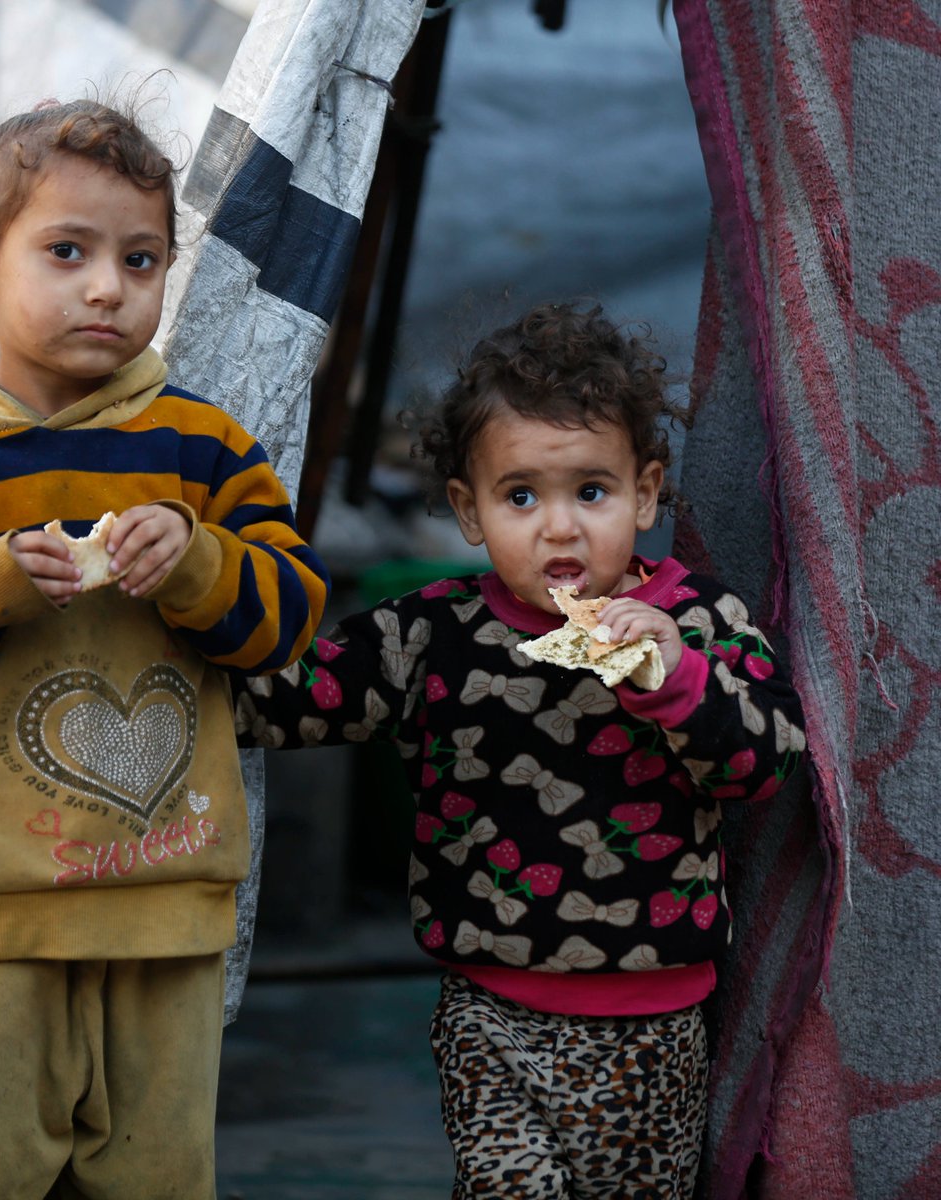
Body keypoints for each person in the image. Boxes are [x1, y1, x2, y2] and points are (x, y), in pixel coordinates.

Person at [0, 97, 329, 1200]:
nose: (105, 287)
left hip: (161, 912)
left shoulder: (196, 448)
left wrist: (198, 563)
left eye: (141, 259)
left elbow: (290, 615)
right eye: (67, 251)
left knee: (156, 1181)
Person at [234, 302, 805, 1199]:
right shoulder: (433, 633)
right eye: (520, 496)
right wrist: (182, 616)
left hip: (658, 1023)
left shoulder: (696, 623)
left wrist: (672, 674)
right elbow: (288, 700)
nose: (560, 528)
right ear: (469, 509)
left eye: (592, 490)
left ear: (647, 493)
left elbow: (766, 762)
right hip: (487, 1013)